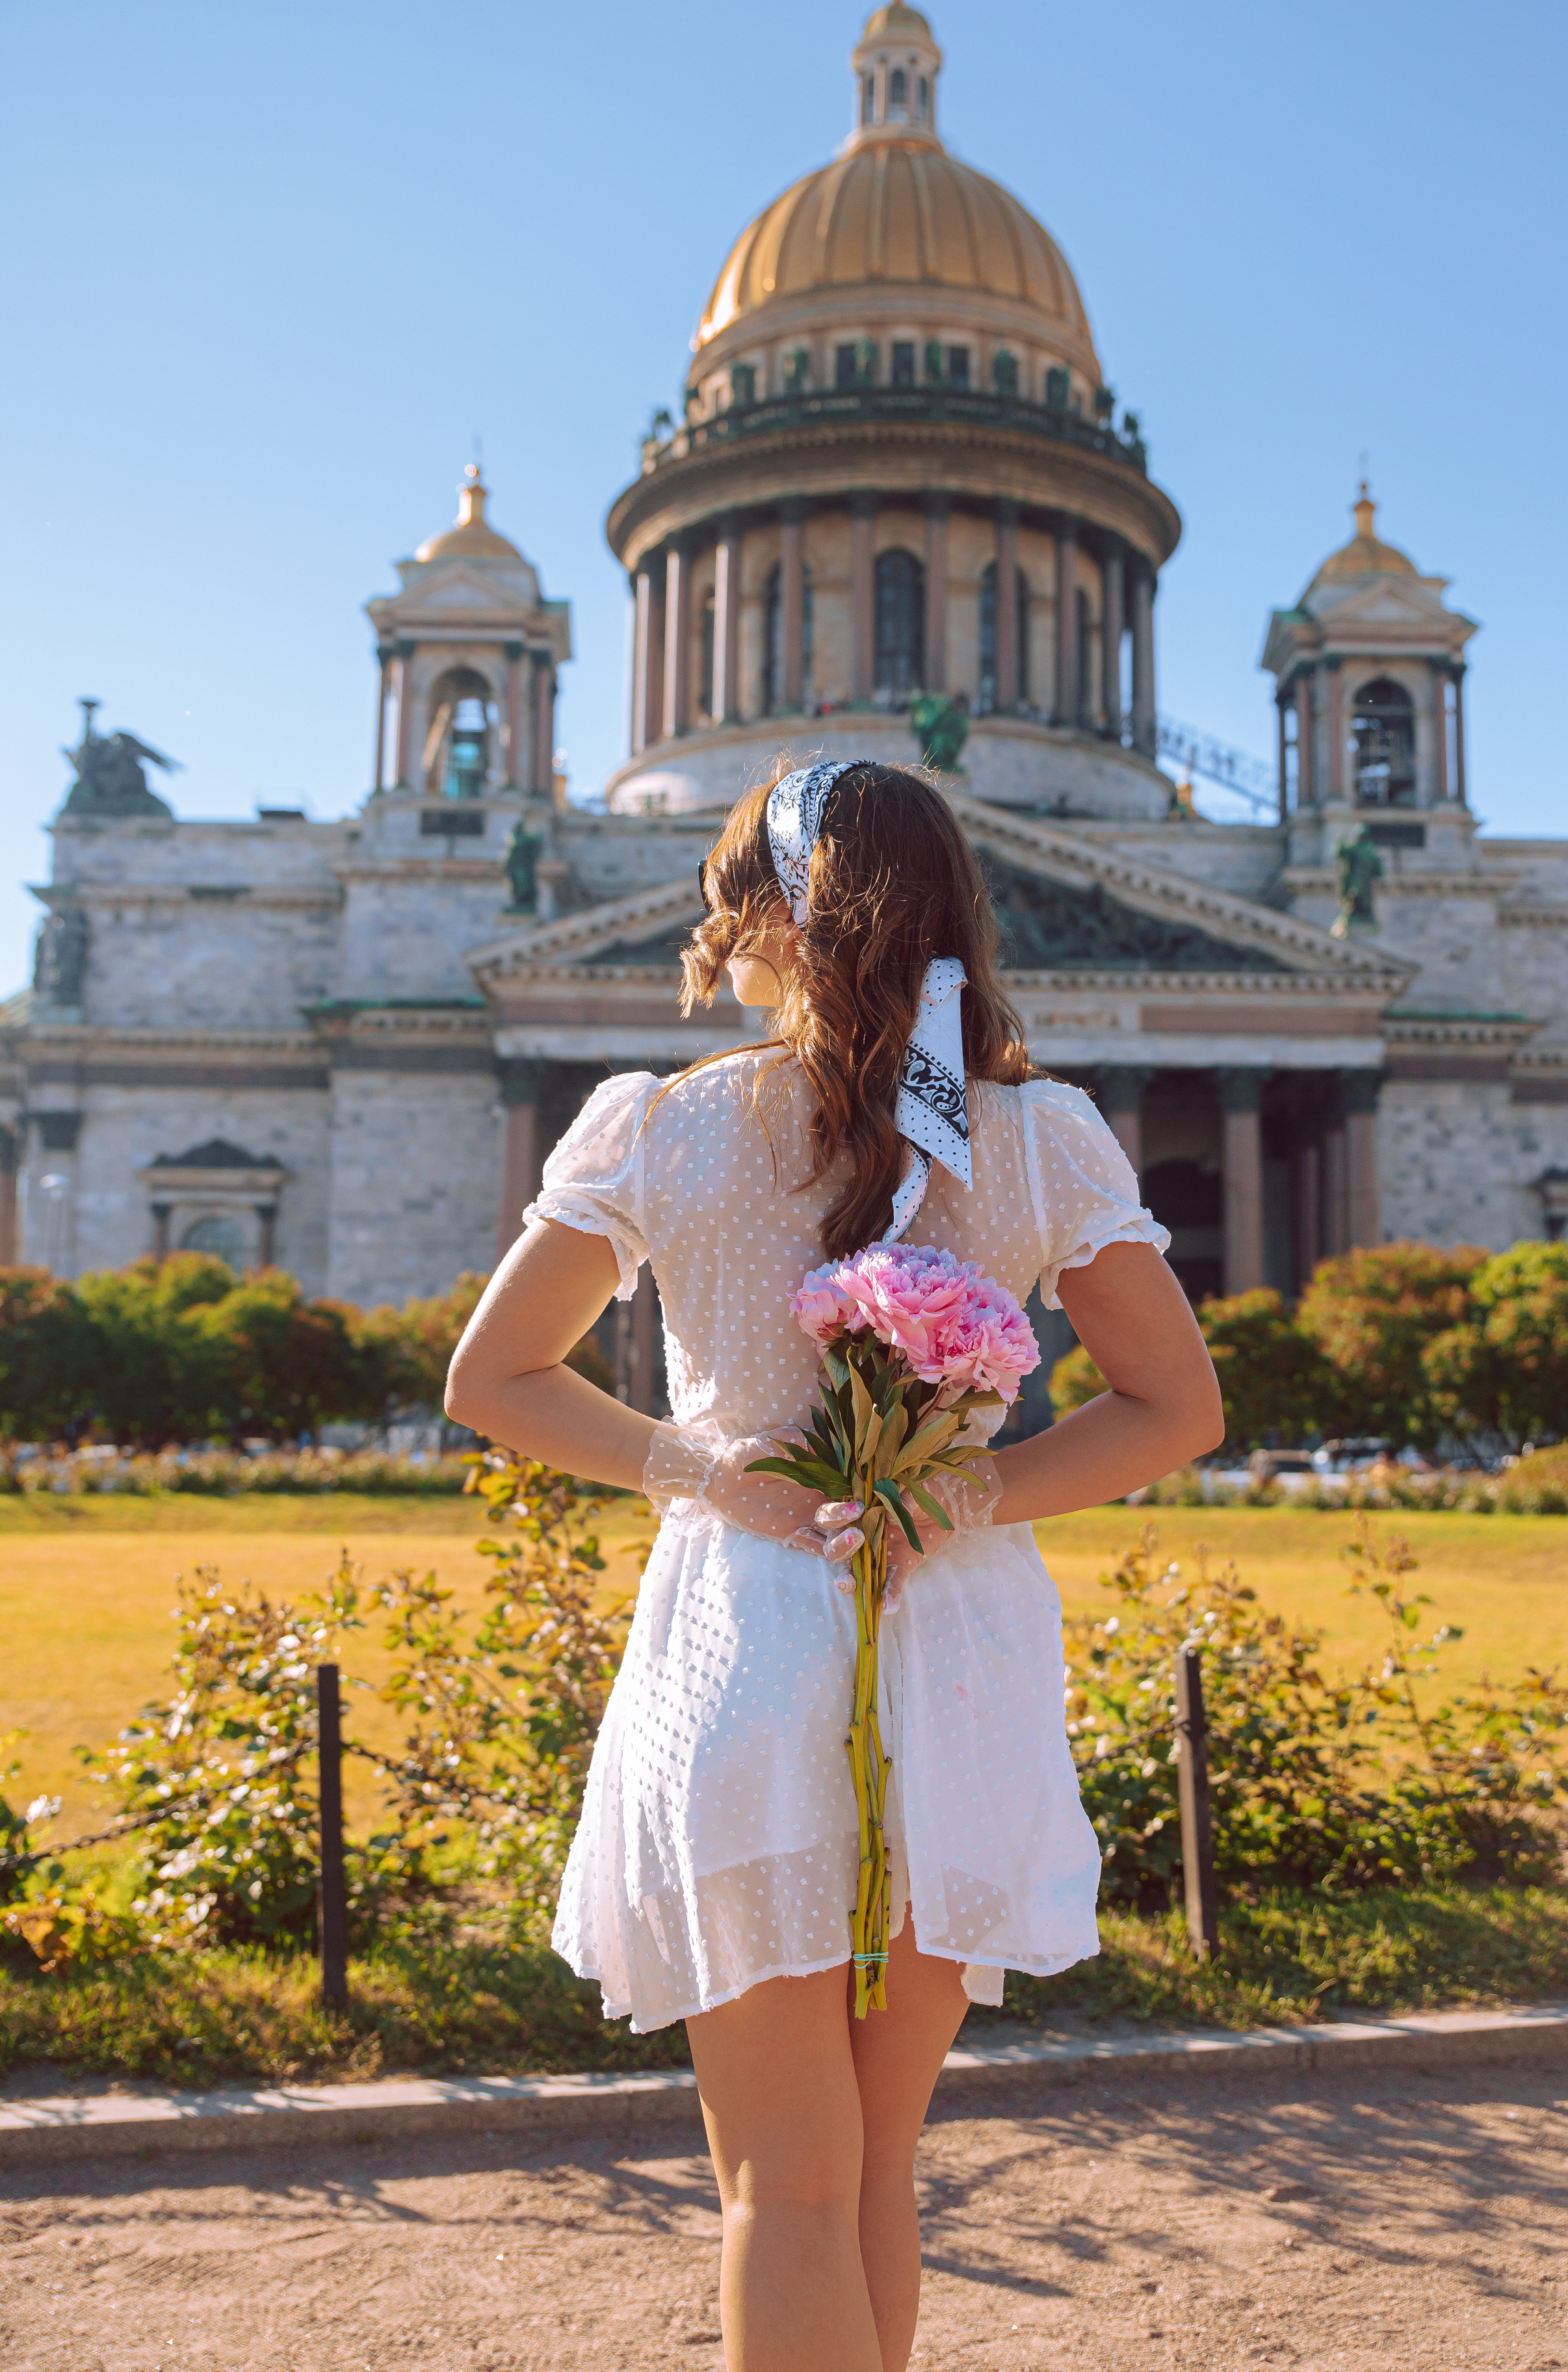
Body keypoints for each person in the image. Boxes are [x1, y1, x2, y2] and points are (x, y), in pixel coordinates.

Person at [447, 760, 1223, 2372]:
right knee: (873, 2167)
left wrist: (704, 1469)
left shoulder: (662, 1125)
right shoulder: (1034, 1137)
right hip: (954, 1671)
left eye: (725, 895)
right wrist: (964, 1497)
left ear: (770, 913)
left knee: (777, 2187)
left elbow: (493, 1379)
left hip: (740, 1649)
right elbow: (1175, 1407)